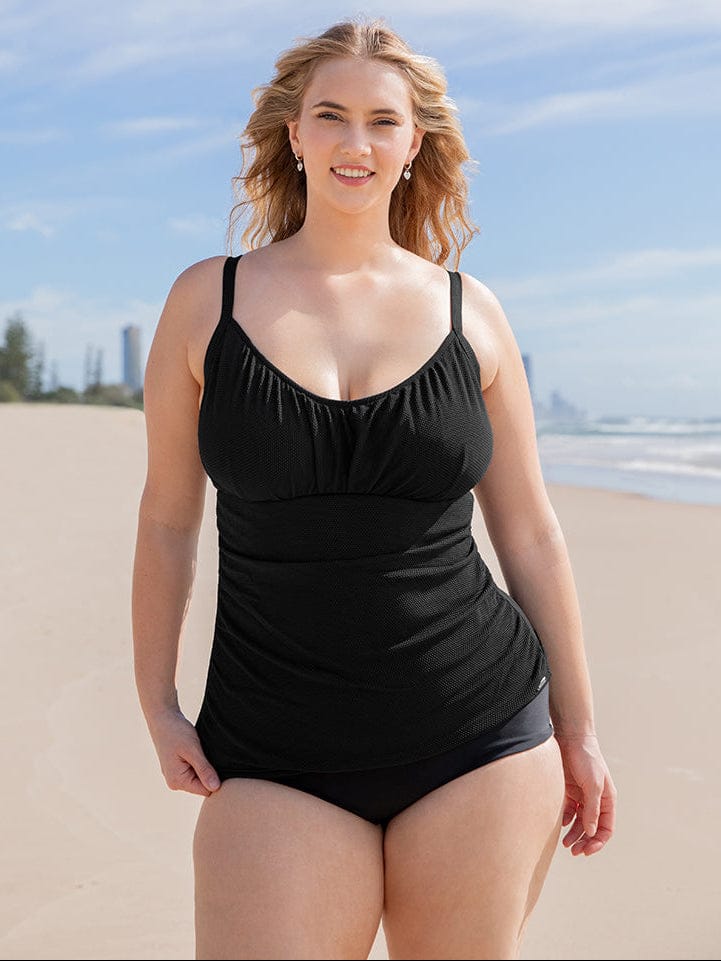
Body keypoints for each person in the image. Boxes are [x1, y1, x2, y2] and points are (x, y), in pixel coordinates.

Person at [132, 15, 617, 961]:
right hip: (271, 746)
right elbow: (165, 519)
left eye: (382, 121)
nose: (357, 142)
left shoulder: (468, 312)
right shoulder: (207, 301)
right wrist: (156, 703)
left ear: (413, 144)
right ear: (293, 133)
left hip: (479, 730)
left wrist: (580, 729)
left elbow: (529, 532)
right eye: (332, 116)